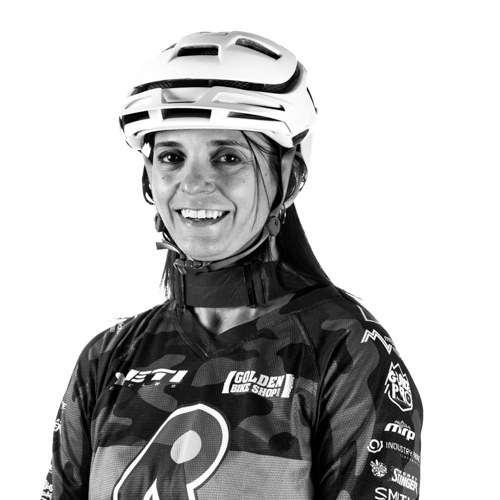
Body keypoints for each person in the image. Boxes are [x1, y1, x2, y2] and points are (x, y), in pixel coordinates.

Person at [41, 31, 423, 500]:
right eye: (171, 157)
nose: (193, 184)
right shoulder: (107, 358)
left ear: (289, 174)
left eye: (227, 157)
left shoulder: (346, 348)